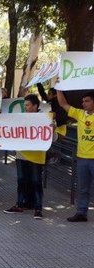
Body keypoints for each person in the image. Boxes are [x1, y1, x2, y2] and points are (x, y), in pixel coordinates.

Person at [3, 94, 48, 219]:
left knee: (36, 182)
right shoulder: (21, 118)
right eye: (25, 105)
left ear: (35, 106)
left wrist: (51, 129)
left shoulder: (45, 118)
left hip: (37, 156)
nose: (26, 108)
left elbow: (52, 137)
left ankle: (38, 208)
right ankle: (20, 204)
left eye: (28, 105)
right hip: (21, 155)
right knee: (21, 181)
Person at [58, 90, 94, 222]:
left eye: (87, 101)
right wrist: (59, 87)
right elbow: (62, 103)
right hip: (82, 158)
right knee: (83, 188)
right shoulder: (80, 114)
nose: (83, 104)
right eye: (83, 101)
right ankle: (81, 212)